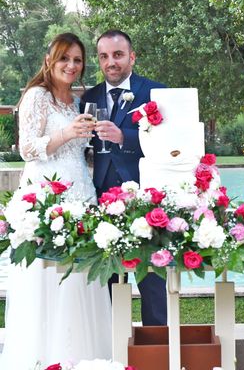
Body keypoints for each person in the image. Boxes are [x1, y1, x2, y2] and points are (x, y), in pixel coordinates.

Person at [0, 33, 112, 369]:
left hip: (81, 194)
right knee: (47, 280)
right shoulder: (37, 96)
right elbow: (28, 149)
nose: (71, 66)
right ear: (50, 59)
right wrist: (67, 133)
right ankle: (44, 358)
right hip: (49, 199)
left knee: (81, 281)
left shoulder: (75, 102)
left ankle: (84, 357)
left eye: (77, 60)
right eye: (65, 58)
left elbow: (77, 150)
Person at [80, 29, 167, 326]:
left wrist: (124, 137)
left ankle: (155, 351)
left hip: (146, 199)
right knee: (109, 281)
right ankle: (114, 350)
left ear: (132, 57)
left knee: (152, 281)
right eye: (104, 56)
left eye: (117, 55)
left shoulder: (154, 92)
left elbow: (168, 144)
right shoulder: (89, 97)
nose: (111, 62)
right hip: (102, 198)